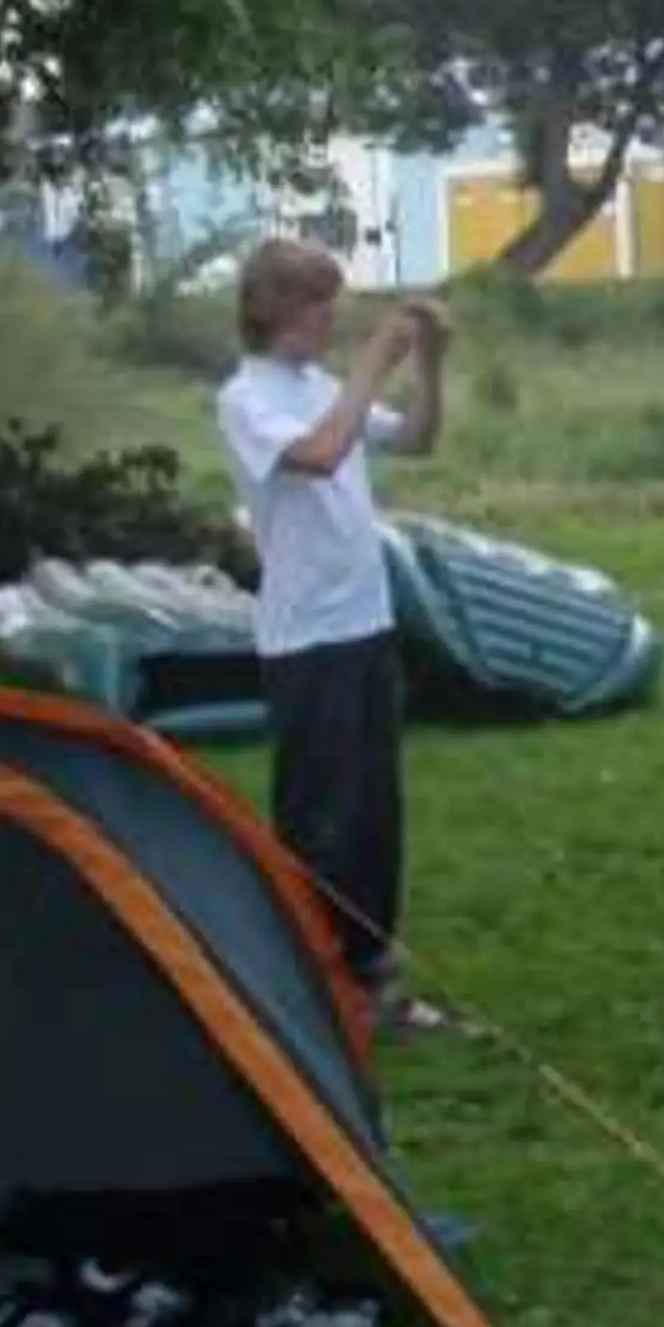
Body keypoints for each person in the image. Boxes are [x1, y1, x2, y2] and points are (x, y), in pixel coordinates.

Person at [216, 238, 452, 1038]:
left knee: (373, 813)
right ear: (277, 310)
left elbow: (416, 440)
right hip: (305, 640)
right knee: (321, 817)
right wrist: (373, 366)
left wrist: (431, 365)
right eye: (319, 304)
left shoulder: (322, 386)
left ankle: (370, 972)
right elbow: (318, 454)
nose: (331, 319)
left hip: (365, 624)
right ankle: (312, 978)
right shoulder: (248, 399)